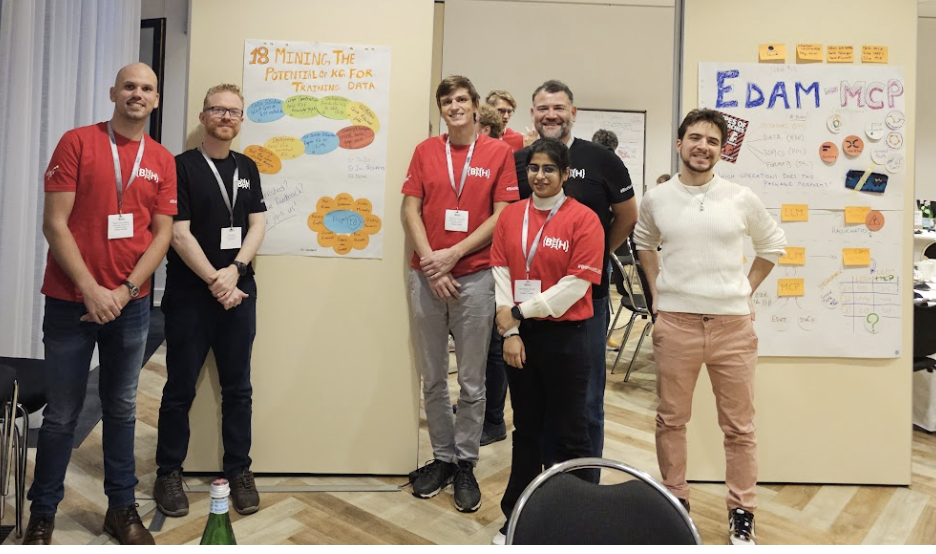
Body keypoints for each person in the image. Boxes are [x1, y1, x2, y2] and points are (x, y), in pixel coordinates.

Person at [26, 63, 177, 545]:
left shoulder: (162, 159)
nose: (138, 93)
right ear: (114, 93)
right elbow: (54, 223)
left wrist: (125, 290)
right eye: (129, 86)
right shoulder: (77, 143)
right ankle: (43, 513)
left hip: (131, 305)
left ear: (156, 99)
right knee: (61, 414)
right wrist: (91, 289)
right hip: (70, 301)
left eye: (147, 88)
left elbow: (162, 234)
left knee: (122, 407)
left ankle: (121, 508)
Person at [633, 109, 786, 545]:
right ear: (680, 143)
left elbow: (773, 244)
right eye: (696, 138)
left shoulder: (740, 197)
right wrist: (656, 295)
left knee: (740, 428)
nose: (703, 147)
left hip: (732, 328)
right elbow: (643, 242)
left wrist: (744, 290)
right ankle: (675, 501)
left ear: (722, 150)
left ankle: (742, 512)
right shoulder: (657, 198)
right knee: (670, 420)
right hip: (676, 325)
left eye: (713, 141)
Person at [402, 75, 519, 513]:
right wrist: (432, 262)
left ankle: (466, 461)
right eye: (447, 100)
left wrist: (453, 254)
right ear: (441, 109)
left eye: (462, 99)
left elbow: (503, 215)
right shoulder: (424, 151)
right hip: (427, 277)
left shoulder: (498, 153)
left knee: (472, 380)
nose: (454, 106)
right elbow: (410, 209)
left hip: (475, 277)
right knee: (433, 377)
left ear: (474, 105)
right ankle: (442, 458)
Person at [153, 83, 266, 518]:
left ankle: (239, 470)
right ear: (203, 117)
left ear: (241, 120)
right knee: (179, 388)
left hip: (239, 292)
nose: (226, 117)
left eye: (234, 111)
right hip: (190, 296)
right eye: (218, 109)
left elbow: (257, 225)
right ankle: (168, 472)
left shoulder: (247, 166)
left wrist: (235, 270)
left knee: (239, 389)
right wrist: (216, 281)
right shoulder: (179, 166)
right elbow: (178, 234)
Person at [514, 80, 638, 476]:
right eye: (543, 108)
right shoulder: (519, 162)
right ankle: (543, 487)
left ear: (573, 112)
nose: (550, 115)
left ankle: (582, 489)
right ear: (532, 114)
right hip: (527, 303)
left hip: (587, 300)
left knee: (583, 401)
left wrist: (595, 258)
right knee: (535, 400)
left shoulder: (601, 159)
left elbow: (628, 216)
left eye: (558, 108)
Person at [490, 138, 604, 545]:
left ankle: (575, 518)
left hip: (566, 337)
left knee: (571, 432)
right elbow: (501, 272)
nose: (540, 176)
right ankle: (518, 516)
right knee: (526, 430)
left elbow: (575, 286)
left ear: (565, 174)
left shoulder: (584, 219)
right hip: (520, 338)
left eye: (549, 169)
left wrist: (520, 313)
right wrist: (511, 331)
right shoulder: (511, 216)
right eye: (534, 168)